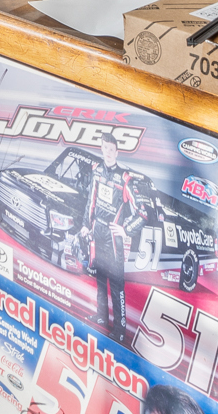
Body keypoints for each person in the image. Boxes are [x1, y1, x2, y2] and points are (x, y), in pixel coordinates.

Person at [83, 140, 145, 344]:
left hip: (113, 236)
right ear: (101, 149)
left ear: (117, 152)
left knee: (117, 284)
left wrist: (126, 230)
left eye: (112, 149)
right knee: (99, 277)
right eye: (105, 148)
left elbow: (142, 213)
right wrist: (86, 224)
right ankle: (101, 316)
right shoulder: (97, 170)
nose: (108, 152)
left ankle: (120, 330)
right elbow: (91, 199)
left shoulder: (125, 179)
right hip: (97, 231)